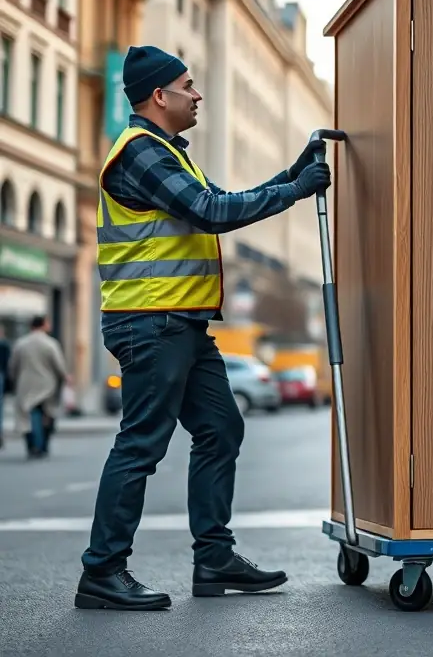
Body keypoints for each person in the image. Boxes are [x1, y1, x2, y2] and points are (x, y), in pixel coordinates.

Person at [75, 46, 332, 612]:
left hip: (181, 325)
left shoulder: (170, 154)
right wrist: (295, 190)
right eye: (188, 86)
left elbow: (217, 200)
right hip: (150, 322)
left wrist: (291, 173)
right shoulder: (141, 154)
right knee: (141, 446)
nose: (197, 95)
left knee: (221, 429)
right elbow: (212, 213)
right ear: (159, 96)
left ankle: (213, 558)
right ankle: (102, 571)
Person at [8, 315, 65, 458]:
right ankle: (43, 445)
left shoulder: (21, 343)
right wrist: (64, 378)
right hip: (47, 385)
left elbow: (13, 366)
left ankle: (31, 445)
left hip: (26, 385)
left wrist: (14, 381)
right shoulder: (51, 344)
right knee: (47, 414)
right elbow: (59, 366)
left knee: (26, 417)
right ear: (44, 325)